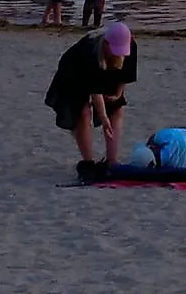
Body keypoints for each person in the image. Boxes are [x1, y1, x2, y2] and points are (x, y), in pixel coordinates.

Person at [44, 21, 138, 181]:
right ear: (107, 44)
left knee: (117, 107)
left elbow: (126, 74)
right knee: (83, 111)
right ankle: (88, 163)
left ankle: (112, 161)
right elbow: (95, 91)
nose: (119, 54)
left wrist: (118, 94)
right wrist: (103, 117)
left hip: (100, 67)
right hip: (73, 70)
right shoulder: (91, 51)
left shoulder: (130, 45)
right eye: (116, 51)